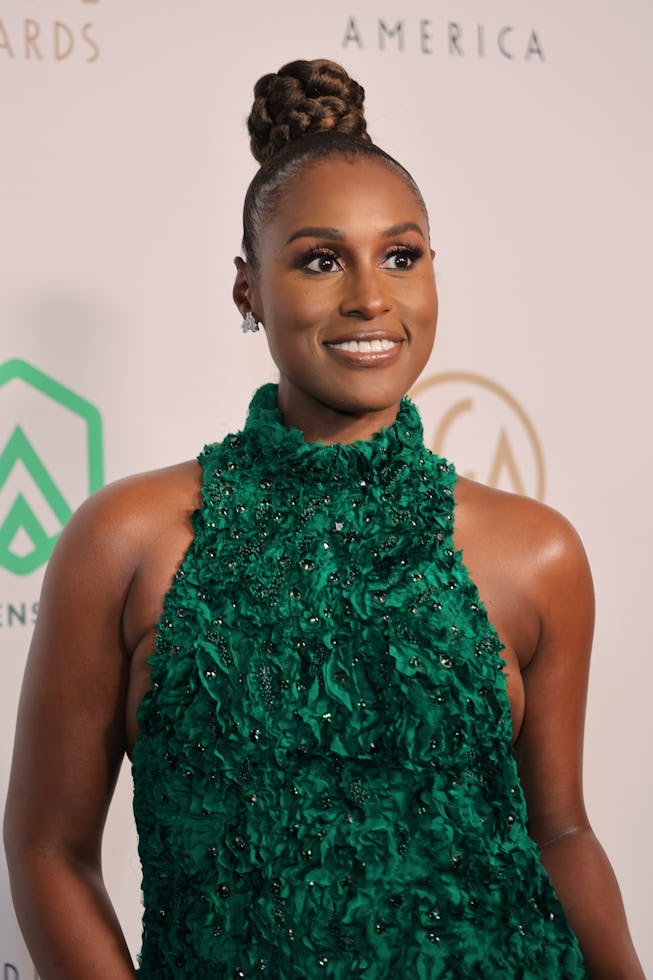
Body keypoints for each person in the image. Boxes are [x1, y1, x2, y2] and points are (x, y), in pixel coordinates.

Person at [3, 58, 644, 979]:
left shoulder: (534, 551)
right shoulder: (128, 540)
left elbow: (562, 830)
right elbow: (48, 850)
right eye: (318, 260)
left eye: (400, 255)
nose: (369, 297)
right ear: (246, 290)